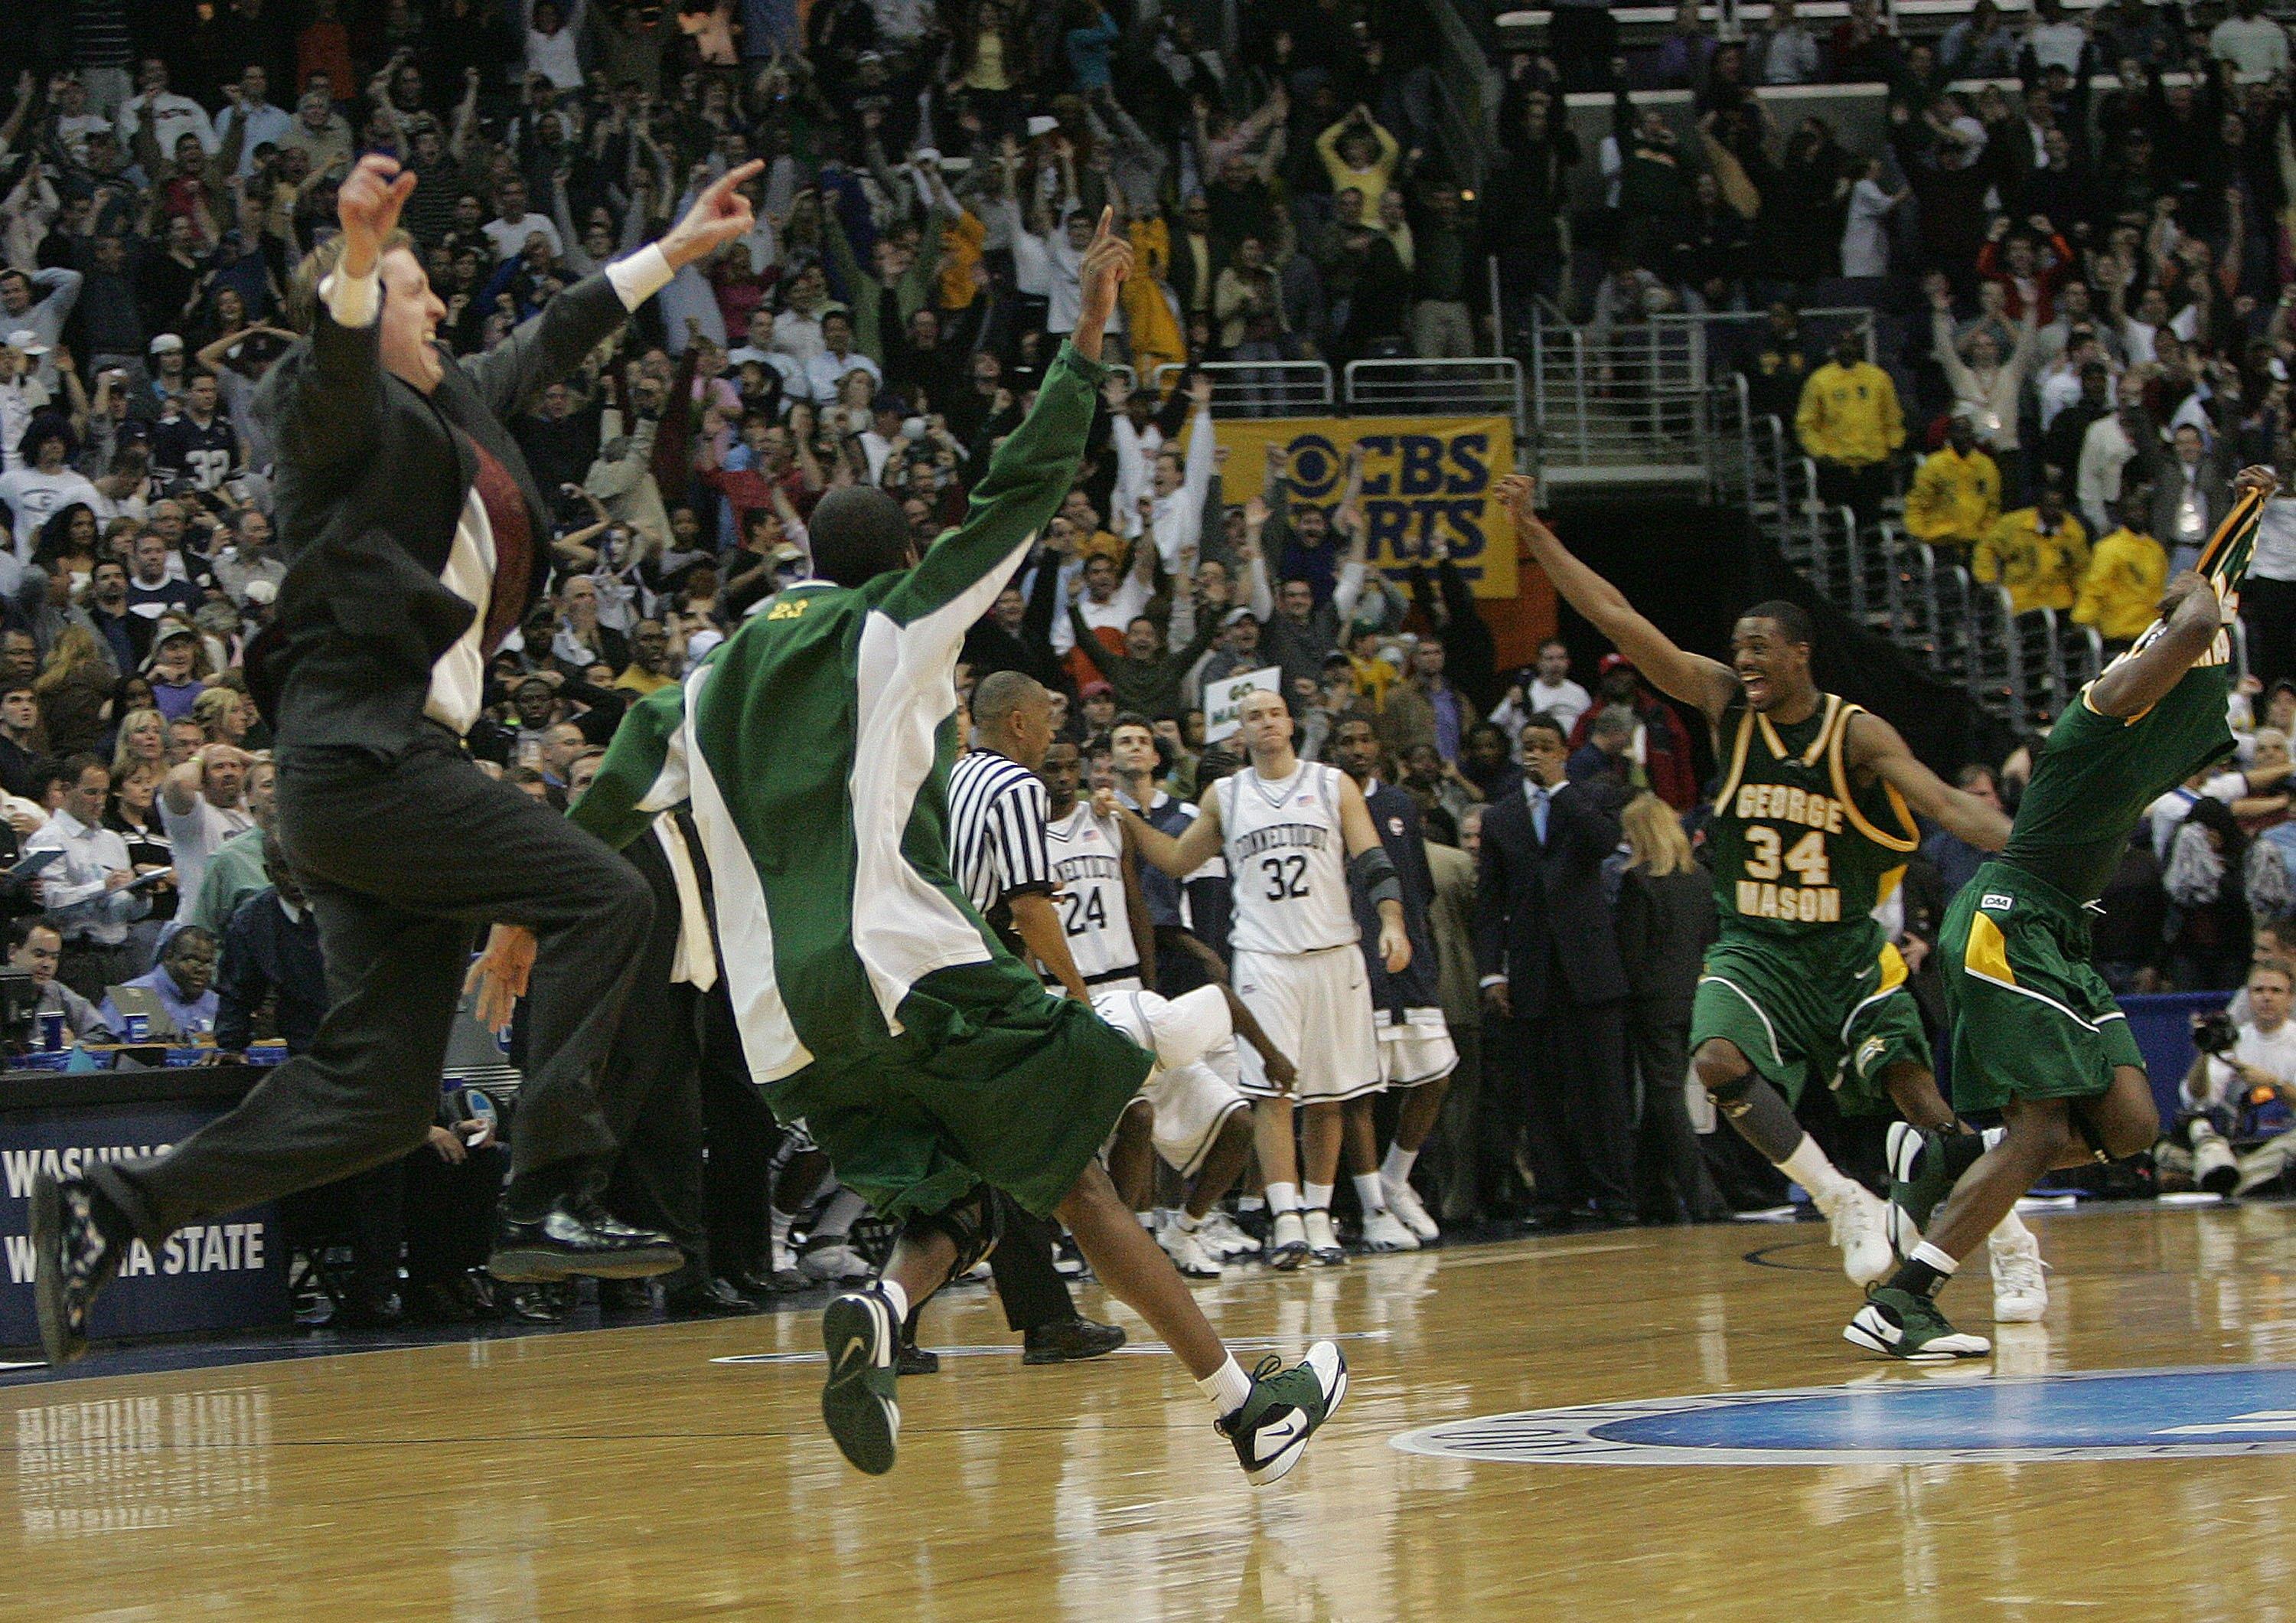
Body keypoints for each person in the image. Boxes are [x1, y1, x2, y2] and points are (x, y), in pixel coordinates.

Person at [533, 214, 1346, 1485]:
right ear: (900, 568)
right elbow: (1019, 492)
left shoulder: (698, 684)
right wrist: (1082, 339)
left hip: (785, 1033)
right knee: (1079, 1163)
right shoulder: (890, 630)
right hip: (907, 976)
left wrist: (526, 921)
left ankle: (890, 1310)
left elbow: (608, 796)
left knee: (958, 1205)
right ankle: (1247, 1392)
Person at [26, 153, 776, 1367]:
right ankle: (548, 1195)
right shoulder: (344, 422)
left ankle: (119, 1208)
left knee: (375, 1101)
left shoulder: (452, 409)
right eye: (413, 294)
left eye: (426, 289)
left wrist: (676, 253)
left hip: (376, 788)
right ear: (371, 312)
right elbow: (325, 376)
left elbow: (552, 337)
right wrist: (360, 261)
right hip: (367, 761)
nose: (436, 308)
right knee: (606, 892)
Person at [1495, 475, 2044, 1309]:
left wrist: (2044, 854)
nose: (1744, 658)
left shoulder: (1853, 731)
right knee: (1715, 1060)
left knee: (1925, 1105)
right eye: (1737, 645)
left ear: (1800, 653)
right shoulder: (1722, 705)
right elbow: (1617, 616)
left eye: (1760, 647)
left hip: (1846, 948)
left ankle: (2007, 1236)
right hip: (1755, 943)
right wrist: (1535, 534)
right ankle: (1840, 1198)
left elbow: (1944, 804)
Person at [1853, 469, 2279, 1360]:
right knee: (2042, 1129)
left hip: (2060, 936)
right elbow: (2198, 618)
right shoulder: (2100, 708)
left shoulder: (2162, 722)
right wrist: (2191, 591)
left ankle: (1942, 1160)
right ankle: (1903, 1298)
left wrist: (2249, 508)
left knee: (2128, 1125)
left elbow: (2212, 610)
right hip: (2008, 925)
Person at [1122, 684, 1411, 1269]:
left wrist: (1393, 921)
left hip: (1333, 950)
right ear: (1242, 730)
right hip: (1263, 956)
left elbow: (1374, 860)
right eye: (1255, 716)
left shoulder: (1332, 784)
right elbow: (1178, 860)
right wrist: (1126, 820)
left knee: (1330, 1095)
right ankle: (1286, 1221)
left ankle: (1321, 1216)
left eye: (1275, 713)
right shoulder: (1225, 795)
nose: (1267, 723)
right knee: (1272, 1091)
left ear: (1290, 723)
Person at [1036, 734, 1270, 1278]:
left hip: (1129, 993)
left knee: (1236, 1120)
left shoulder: (1110, 824)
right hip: (1067, 996)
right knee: (1134, 1119)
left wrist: (1148, 979)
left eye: (1073, 767)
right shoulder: (1024, 839)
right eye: (1054, 767)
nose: (1064, 778)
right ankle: (1118, 1246)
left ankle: (1183, 1229)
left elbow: (1135, 904)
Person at [1474, 713, 1635, 1227]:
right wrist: (1491, 974)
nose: (1536, 754)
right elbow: (1489, 903)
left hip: (1590, 972)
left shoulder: (1588, 801)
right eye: (1529, 746)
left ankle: (1616, 1197)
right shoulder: (1500, 818)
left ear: (1564, 752)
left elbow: (1603, 843)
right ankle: (1554, 1197)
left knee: (1604, 1090)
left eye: (1546, 746)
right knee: (1541, 1093)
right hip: (1532, 970)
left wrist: (1561, 788)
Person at [1330, 716, 1455, 1247]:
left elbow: (1418, 890)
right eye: (1347, 742)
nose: (1358, 750)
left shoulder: (1402, 805)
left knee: (1435, 1073)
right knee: (1360, 1088)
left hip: (1407, 956)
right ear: (1332, 750)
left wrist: (1413, 944)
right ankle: (1370, 1205)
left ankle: (1396, 1179)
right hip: (1349, 961)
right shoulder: (1323, 803)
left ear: (1379, 747)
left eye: (1365, 740)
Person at [1614, 792, 1726, 1224]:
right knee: (1664, 1100)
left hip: (1652, 1002)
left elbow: (1632, 953)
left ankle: (1702, 1196)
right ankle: (1650, 1194)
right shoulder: (1701, 879)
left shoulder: (1638, 881)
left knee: (1664, 1096)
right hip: (1696, 997)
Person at [97, 924, 219, 1038]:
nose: (200, 969)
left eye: (208, 962)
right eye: (191, 959)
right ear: (169, 957)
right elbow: (102, 1054)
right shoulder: (132, 996)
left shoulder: (217, 1003)